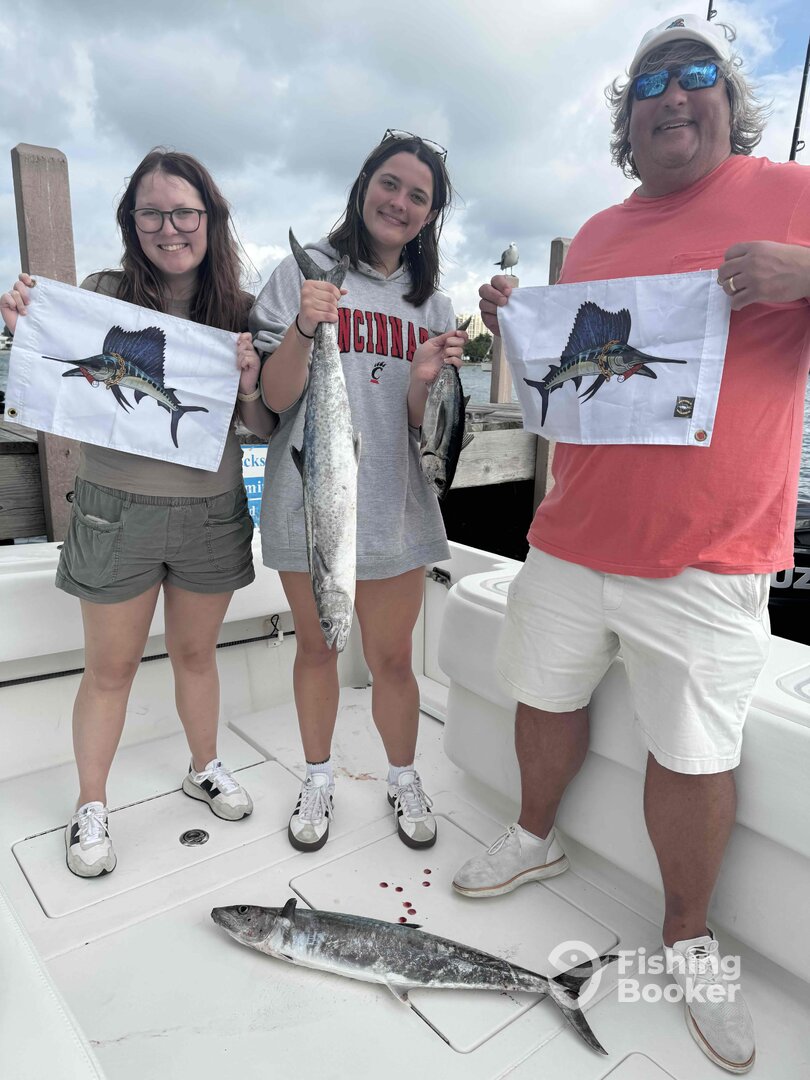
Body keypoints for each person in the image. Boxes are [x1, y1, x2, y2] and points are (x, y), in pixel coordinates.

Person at [454, 15, 810, 1075]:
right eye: (649, 84)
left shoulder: (791, 193)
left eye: (696, 75)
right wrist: (515, 322)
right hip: (571, 536)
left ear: (730, 101)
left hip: (709, 555)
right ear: (628, 120)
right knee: (542, 694)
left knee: (693, 753)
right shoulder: (599, 231)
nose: (672, 96)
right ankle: (534, 835)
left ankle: (688, 936)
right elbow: (566, 376)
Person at [0, 149, 276, 879]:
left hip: (211, 513)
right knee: (111, 668)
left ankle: (203, 765)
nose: (169, 227)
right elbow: (56, 374)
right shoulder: (99, 294)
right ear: (131, 221)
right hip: (112, 512)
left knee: (197, 656)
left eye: (184, 211)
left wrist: (251, 382)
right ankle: (91, 802)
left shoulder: (243, 312)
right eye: (151, 213)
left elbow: (263, 426)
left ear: (210, 218)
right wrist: (24, 324)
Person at [250, 130, 467, 853]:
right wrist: (305, 324)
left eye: (418, 196)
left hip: (395, 505)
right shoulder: (300, 272)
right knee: (316, 650)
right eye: (390, 184)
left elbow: (419, 423)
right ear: (364, 185)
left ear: (430, 214)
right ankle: (318, 777)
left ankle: (402, 776)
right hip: (311, 500)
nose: (400, 202)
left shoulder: (434, 303)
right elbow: (274, 400)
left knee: (394, 659)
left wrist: (427, 377)